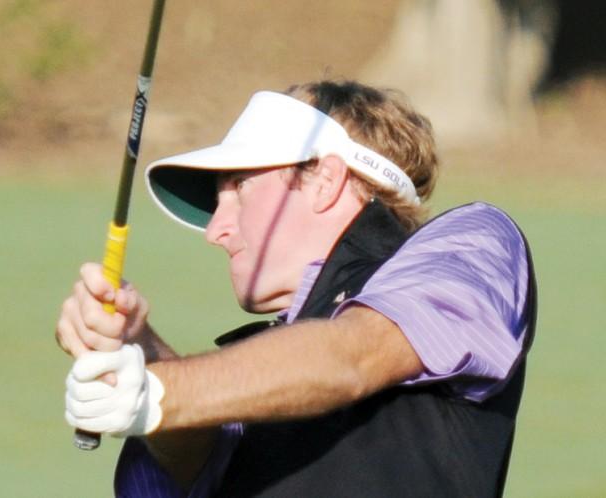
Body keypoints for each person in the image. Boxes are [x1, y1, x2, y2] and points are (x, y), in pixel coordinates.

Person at [56, 80, 537, 498]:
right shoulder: (255, 366)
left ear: (325, 180)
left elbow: (353, 355)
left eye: (239, 187)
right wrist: (139, 351)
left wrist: (158, 390)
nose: (215, 230)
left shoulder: (472, 245)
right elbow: (194, 465)